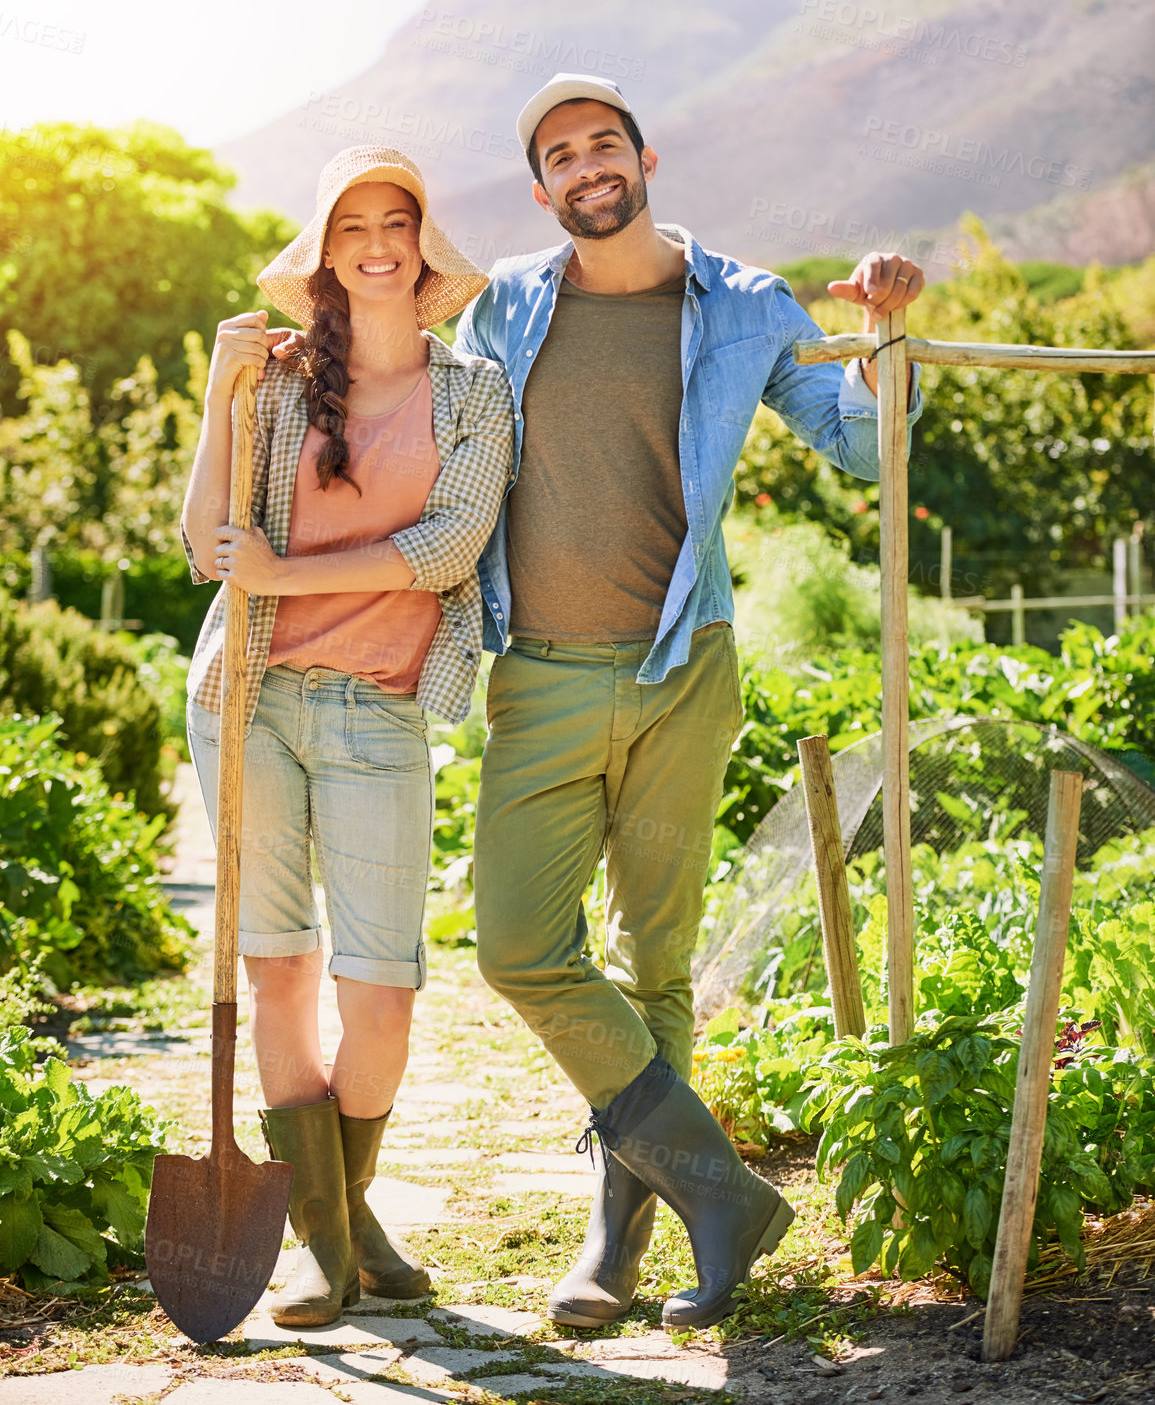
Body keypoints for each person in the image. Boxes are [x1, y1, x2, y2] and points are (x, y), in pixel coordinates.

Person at [456, 72, 926, 1331]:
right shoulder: (502, 308)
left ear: (644, 157)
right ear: (542, 187)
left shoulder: (747, 303)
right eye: (560, 155)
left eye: (603, 143)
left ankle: (615, 1246)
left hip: (682, 670)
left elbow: (862, 443)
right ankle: (720, 1190)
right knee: (519, 946)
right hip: (541, 673)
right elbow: (426, 430)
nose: (586, 167)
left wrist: (883, 338)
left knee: (654, 961)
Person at [180, 145, 512, 1328]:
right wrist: (222, 397)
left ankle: (345, 1206)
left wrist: (290, 566)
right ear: (322, 253)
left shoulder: (473, 392)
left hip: (381, 705)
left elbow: (451, 548)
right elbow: (200, 541)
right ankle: (325, 1245)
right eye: (351, 225)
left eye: (397, 221)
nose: (376, 241)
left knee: (383, 990)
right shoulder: (275, 386)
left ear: (422, 245)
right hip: (251, 697)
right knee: (281, 965)